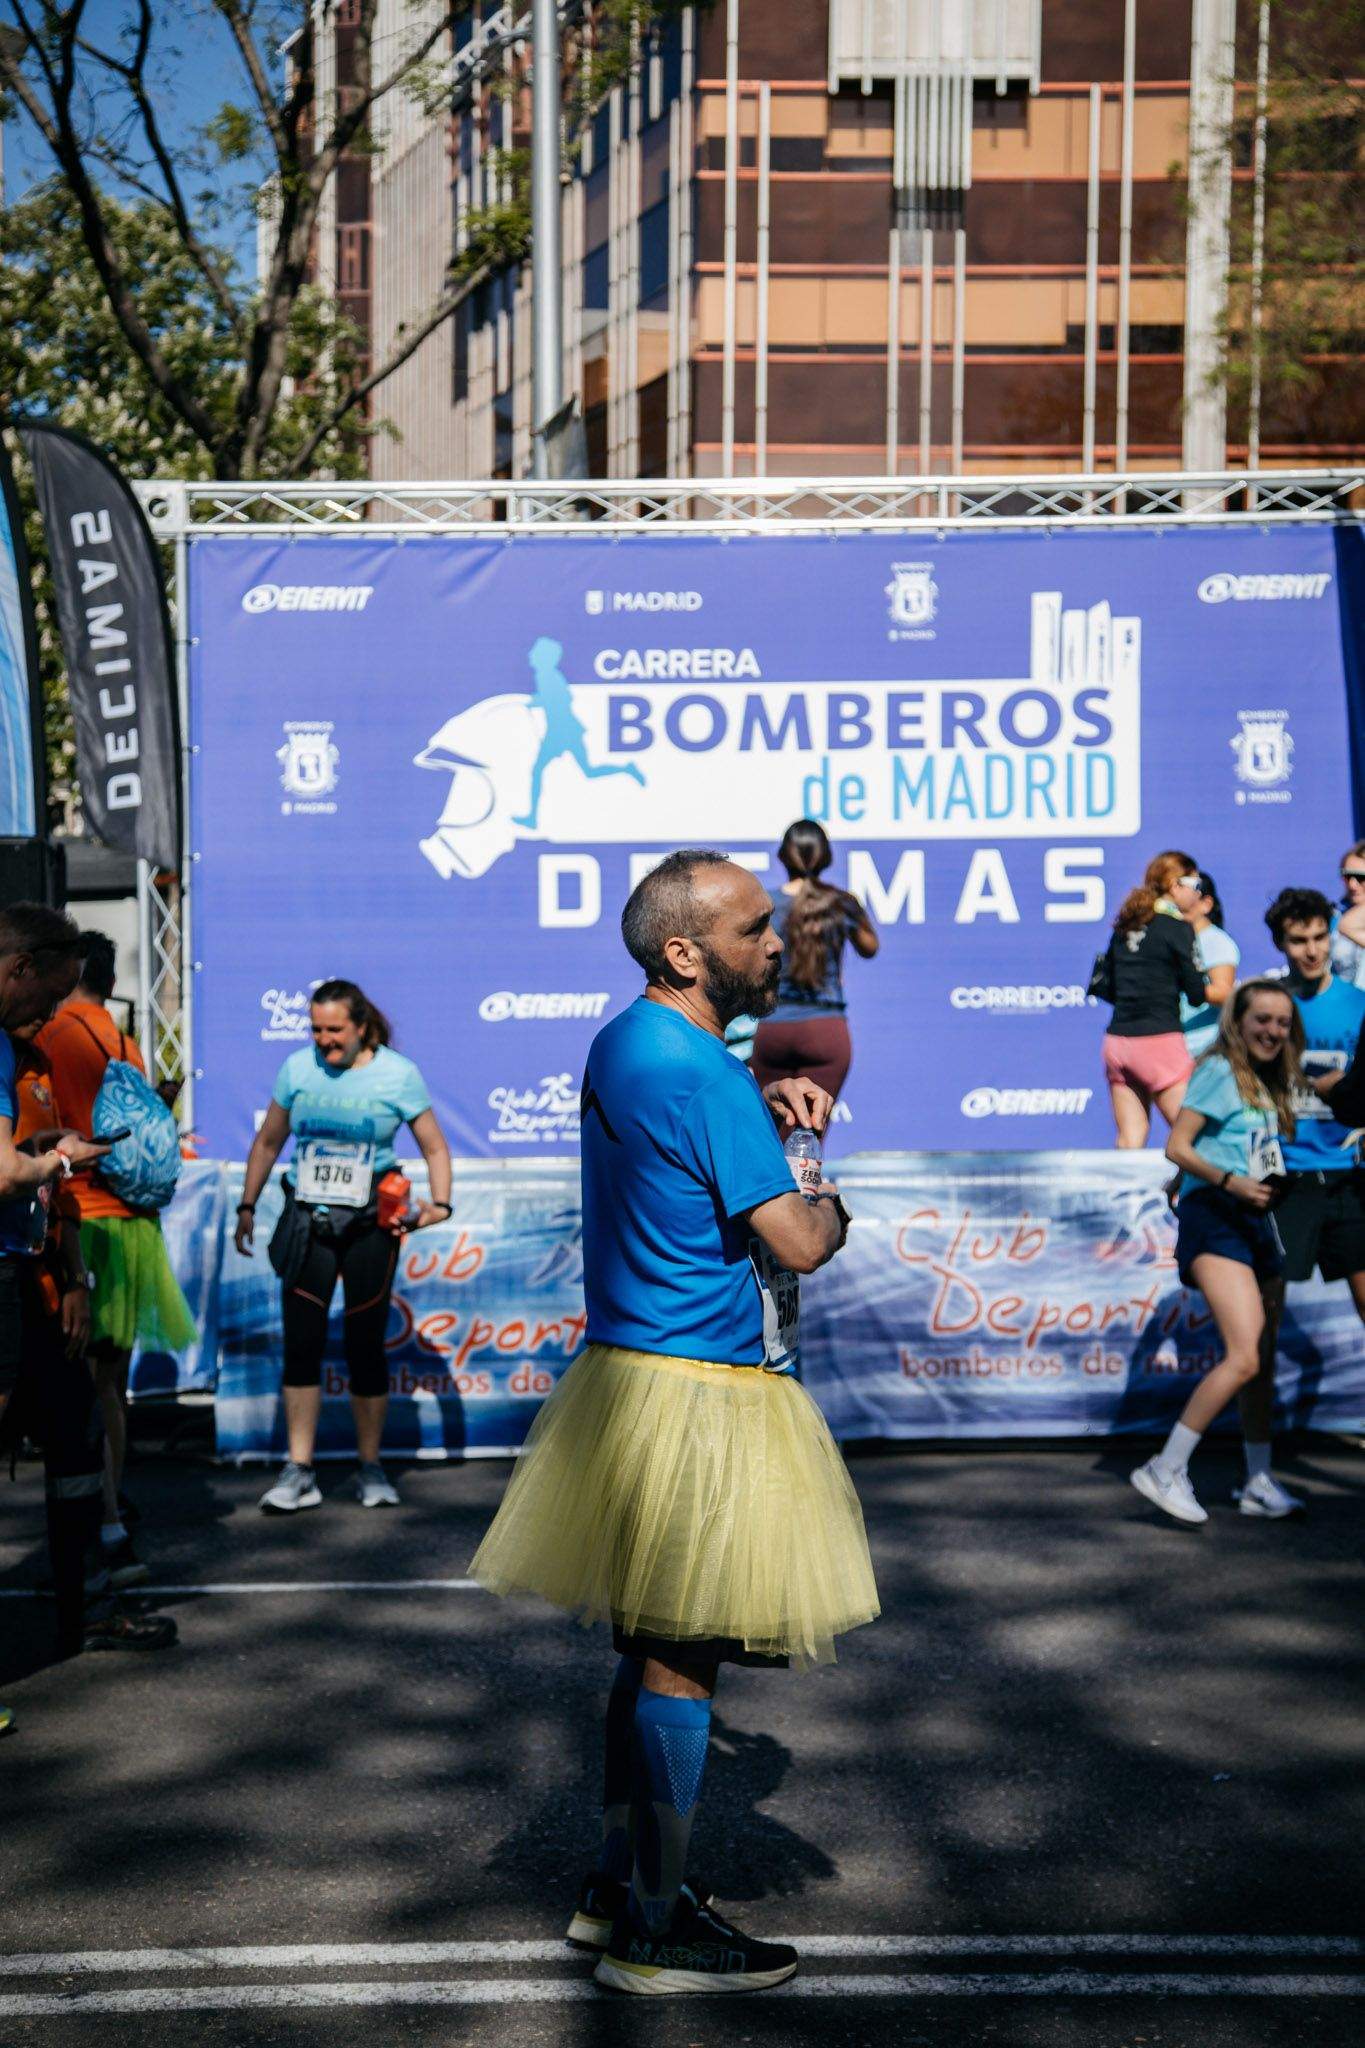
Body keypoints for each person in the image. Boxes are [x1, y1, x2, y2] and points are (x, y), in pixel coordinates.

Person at [471, 850, 878, 1997]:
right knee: (682, 1658)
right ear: (686, 949)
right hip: (700, 1389)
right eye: (755, 928)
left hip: (632, 1381)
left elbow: (687, 1148)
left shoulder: (631, 1040)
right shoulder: (702, 1069)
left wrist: (762, 1100)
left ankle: (618, 1889)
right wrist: (822, 1176)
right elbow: (797, 1240)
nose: (777, 942)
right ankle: (657, 1923)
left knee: (652, 1645)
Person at [0, 905, 166, 1728]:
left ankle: (90, 1606)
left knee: (80, 1434)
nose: (51, 1018)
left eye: (67, 1002)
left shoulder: (33, 1055)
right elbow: (13, 1172)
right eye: (46, 1000)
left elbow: (41, 1187)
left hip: (38, 1282)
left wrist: (69, 1274)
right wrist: (55, 1156)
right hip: (6, 1287)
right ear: (17, 967)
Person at [235, 979, 453, 1511]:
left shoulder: (397, 1074)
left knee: (364, 1344)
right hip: (308, 1220)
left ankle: (370, 1468)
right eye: (316, 1029)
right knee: (302, 1343)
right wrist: (246, 1205)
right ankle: (299, 1469)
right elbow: (268, 1141)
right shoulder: (297, 1069)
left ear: (361, 1027)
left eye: (335, 1030)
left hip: (370, 1223)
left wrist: (439, 1205)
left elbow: (434, 1147)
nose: (324, 1040)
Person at [38, 932, 197, 1589]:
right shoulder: (122, 1040)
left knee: (81, 1390)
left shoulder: (55, 1036)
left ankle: (102, 1524)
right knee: (113, 1385)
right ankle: (111, 1509)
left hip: (87, 1226)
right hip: (136, 1228)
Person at [1130, 979, 1303, 1526]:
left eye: (1281, 1022)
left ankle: (1256, 1479)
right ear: (1239, 1022)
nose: (1272, 1031)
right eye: (1262, 1020)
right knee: (1245, 1354)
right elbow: (1176, 1143)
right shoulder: (1219, 1070)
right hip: (1219, 1219)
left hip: (1256, 1221)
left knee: (1262, 1361)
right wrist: (1226, 1182)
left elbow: (1225, 1150)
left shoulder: (1272, 1080)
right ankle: (1164, 1468)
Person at [1254, 887, 1365, 1511]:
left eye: (1321, 936)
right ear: (1281, 945)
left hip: (1352, 1179)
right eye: (1299, 940)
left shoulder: (1361, 1005)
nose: (1313, 949)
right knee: (1260, 1337)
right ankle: (1257, 1470)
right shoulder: (1264, 1010)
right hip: (1285, 1184)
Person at [750, 819, 878, 1102]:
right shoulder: (840, 902)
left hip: (775, 1028)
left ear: (783, 855)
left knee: (771, 1135)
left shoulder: (766, 904)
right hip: (825, 1029)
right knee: (811, 1133)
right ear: (826, 856)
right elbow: (870, 948)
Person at [1094, 850, 1209, 1147]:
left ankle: (1125, 1196)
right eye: (1195, 886)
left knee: (1130, 1139)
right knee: (1192, 1140)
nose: (1198, 896)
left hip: (1117, 1044)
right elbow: (1197, 994)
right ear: (1174, 886)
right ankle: (1185, 1196)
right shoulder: (1178, 928)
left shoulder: (1125, 926)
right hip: (1159, 1043)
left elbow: (1109, 986)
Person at [512, 636, 645, 831]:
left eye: (536, 652)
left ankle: (627, 768)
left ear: (544, 657)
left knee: (580, 771)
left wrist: (538, 702)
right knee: (576, 771)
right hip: (559, 733)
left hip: (565, 732)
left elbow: (561, 701)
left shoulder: (549, 676)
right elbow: (556, 699)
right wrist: (538, 701)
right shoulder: (545, 676)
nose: (531, 655)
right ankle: (532, 817)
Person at [1178, 869, 1240, 1058]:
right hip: (1176, 1047)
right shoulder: (1177, 940)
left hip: (1204, 1048)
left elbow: (1224, 993)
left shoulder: (1215, 941)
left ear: (1206, 904)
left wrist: (1181, 982)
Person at [1328, 840, 1365, 990]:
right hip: (1345, 1006)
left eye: (1361, 877)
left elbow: (1348, 926)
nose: (1352, 885)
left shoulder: (1344, 922)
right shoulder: (1332, 918)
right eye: (1347, 876)